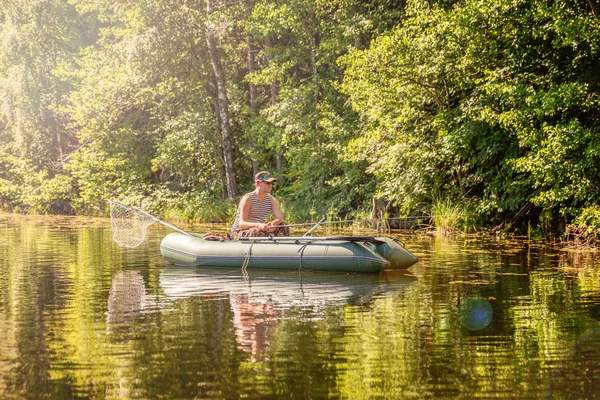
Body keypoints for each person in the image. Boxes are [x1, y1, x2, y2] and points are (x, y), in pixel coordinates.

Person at [231, 171, 289, 239]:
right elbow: (242, 224)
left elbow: (280, 218)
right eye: (267, 183)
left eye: (272, 183)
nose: (270, 185)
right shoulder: (247, 199)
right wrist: (258, 225)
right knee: (256, 231)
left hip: (259, 230)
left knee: (283, 226)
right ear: (258, 183)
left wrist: (273, 223)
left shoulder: (271, 200)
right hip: (240, 232)